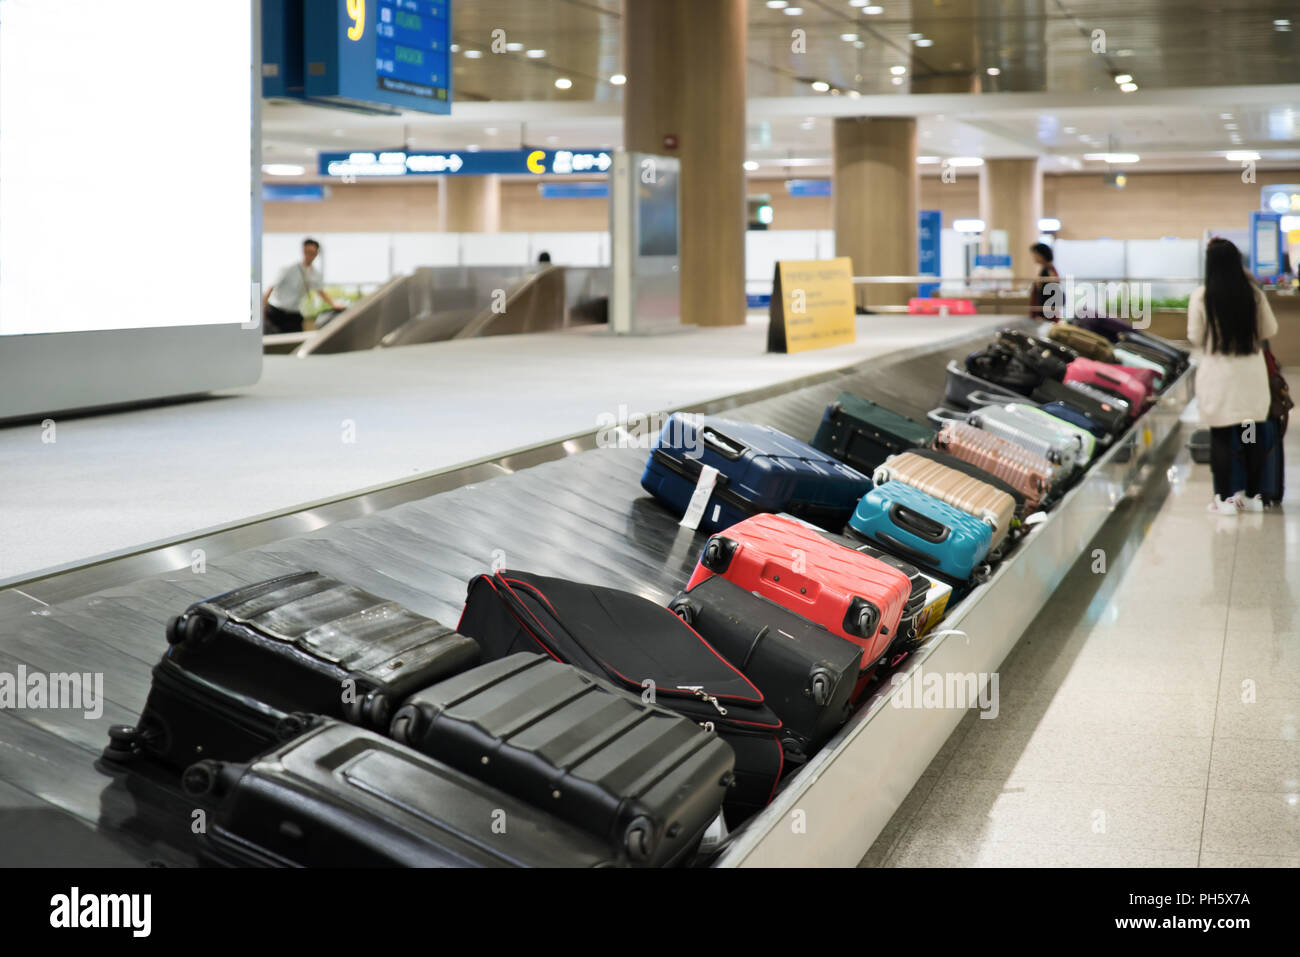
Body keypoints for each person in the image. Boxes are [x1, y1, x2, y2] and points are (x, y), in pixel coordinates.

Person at [1187, 237, 1279, 514]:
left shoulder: (1202, 296)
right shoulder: (1253, 295)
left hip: (1218, 378)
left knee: (1222, 440)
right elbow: (1269, 330)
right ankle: (1252, 497)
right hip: (1250, 379)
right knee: (1251, 437)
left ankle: (1224, 499)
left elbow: (1195, 336)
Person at [262, 238, 343, 334]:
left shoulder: (315, 274)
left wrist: (334, 304)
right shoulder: (289, 268)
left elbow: (320, 291)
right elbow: (270, 288)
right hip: (276, 312)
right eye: (306, 252)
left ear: (317, 253)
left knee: (296, 340)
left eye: (312, 252)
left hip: (294, 313)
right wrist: (263, 310)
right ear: (303, 251)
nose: (309, 255)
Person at [1027, 242, 1059, 320]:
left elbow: (1048, 295)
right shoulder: (1046, 269)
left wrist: (1041, 314)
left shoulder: (1048, 271)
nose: (1034, 257)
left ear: (1042, 255)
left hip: (1046, 314)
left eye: (1035, 254)